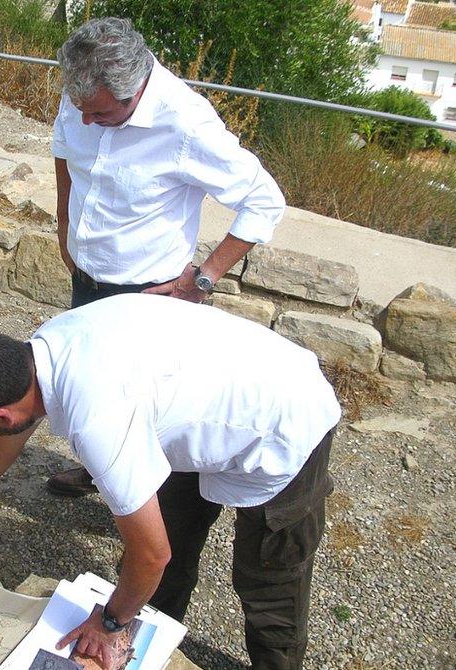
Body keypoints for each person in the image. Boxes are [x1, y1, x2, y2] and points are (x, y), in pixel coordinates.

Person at [0, 294, 341, 670]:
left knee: (269, 580)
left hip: (287, 420)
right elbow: (5, 436)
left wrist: (108, 622)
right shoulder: (41, 351)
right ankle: (155, 635)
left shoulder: (97, 422)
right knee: (170, 534)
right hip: (209, 395)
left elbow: (151, 555)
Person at [47, 17, 286, 496]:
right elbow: (64, 150)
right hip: (86, 279)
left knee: (148, 408)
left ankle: (148, 513)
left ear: (134, 91)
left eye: (100, 114)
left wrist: (202, 279)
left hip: (149, 293)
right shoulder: (85, 90)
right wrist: (64, 227)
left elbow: (264, 200)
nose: (85, 120)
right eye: (81, 109)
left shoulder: (186, 123)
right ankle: (102, 472)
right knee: (93, 391)